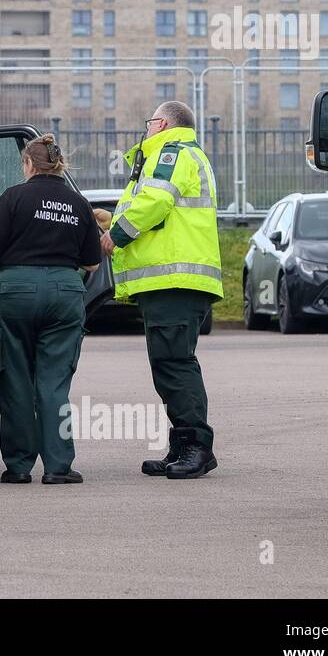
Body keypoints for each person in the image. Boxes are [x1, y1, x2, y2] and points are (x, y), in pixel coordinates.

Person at [0, 134, 102, 485]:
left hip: (16, 291)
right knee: (54, 383)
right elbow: (92, 264)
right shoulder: (78, 203)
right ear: (59, 165)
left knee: (17, 379)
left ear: (28, 164)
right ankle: (58, 468)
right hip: (64, 293)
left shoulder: (14, 196)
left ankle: (19, 466)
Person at [101, 100, 222, 479]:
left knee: (174, 362)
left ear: (163, 123)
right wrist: (112, 218)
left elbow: (155, 202)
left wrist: (116, 236)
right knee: (170, 362)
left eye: (150, 120)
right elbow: (158, 208)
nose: (146, 127)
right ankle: (183, 445)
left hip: (175, 280)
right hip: (176, 281)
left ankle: (196, 447)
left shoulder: (170, 153)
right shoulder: (180, 155)